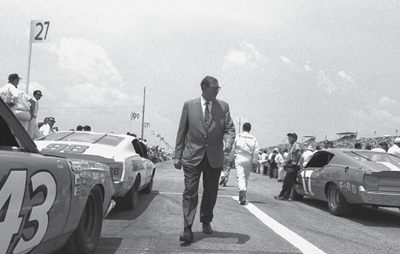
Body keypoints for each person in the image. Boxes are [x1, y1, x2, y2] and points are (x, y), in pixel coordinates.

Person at [174, 75, 235, 242]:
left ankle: (206, 219)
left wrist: (228, 141)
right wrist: (177, 155)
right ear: (204, 88)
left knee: (211, 192)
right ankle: (187, 228)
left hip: (214, 157)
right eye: (214, 88)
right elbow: (182, 131)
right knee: (190, 192)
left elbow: (229, 128)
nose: (217, 91)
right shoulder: (189, 105)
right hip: (192, 155)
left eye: (218, 88)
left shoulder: (223, 106)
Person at [231, 122, 259, 205]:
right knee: (246, 177)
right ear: (250, 129)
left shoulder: (238, 136)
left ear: (243, 128)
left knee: (240, 176)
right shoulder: (254, 138)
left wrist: (231, 158)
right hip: (249, 157)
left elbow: (233, 148)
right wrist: (255, 161)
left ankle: (242, 192)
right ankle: (244, 193)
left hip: (239, 156)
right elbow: (256, 151)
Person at [274, 133, 301, 201]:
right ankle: (283, 195)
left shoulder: (296, 145)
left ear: (294, 138)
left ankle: (284, 196)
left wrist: (296, 162)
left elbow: (299, 153)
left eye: (291, 137)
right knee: (288, 181)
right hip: (290, 165)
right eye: (288, 137)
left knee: (287, 181)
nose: (289, 138)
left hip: (293, 166)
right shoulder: (292, 146)